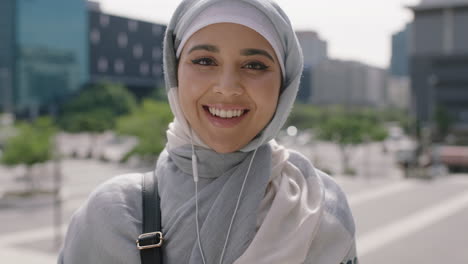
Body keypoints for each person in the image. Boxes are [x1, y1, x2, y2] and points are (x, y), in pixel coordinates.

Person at [58, 0, 358, 263]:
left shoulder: (320, 206)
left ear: (285, 83)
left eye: (254, 65)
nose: (227, 87)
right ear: (175, 71)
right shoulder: (111, 214)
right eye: (204, 61)